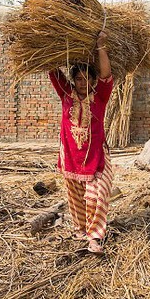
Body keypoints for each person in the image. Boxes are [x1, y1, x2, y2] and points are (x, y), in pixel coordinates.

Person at [48, 31, 113, 254]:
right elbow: (53, 70)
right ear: (73, 80)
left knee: (97, 195)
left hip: (96, 160)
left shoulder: (100, 97)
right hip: (72, 160)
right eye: (78, 78)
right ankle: (81, 231)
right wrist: (53, 43)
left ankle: (95, 237)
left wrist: (101, 46)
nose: (82, 82)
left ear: (93, 81)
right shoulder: (66, 94)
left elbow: (106, 74)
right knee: (76, 199)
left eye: (87, 78)